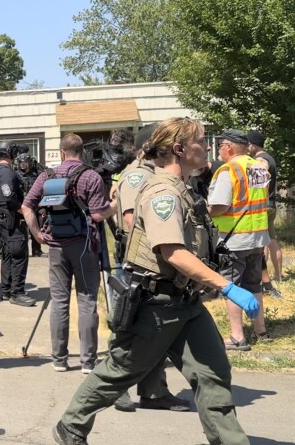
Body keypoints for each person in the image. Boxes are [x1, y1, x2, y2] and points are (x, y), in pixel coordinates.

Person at [52, 117, 258, 445]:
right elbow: (173, 253)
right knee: (120, 370)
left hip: (186, 303)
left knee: (213, 376)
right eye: (199, 141)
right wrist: (226, 285)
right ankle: (71, 427)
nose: (206, 146)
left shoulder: (183, 188)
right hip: (157, 306)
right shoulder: (163, 192)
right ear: (178, 149)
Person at [107, 123, 190, 413]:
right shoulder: (138, 175)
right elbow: (130, 220)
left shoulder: (157, 174)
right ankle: (115, 389)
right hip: (139, 263)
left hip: (155, 265)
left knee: (156, 332)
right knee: (129, 327)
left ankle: (154, 392)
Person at [22, 133, 115, 373]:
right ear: (82, 151)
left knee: (59, 301)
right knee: (86, 300)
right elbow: (97, 214)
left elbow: (26, 206)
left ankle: (59, 359)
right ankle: (87, 362)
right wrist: (113, 204)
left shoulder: (46, 175)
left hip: (56, 246)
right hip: (85, 246)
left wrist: (37, 235)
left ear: (62, 152)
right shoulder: (91, 176)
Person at [209, 129, 272, 350]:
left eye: (220, 145)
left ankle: (238, 337)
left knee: (231, 286)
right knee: (254, 284)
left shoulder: (229, 170)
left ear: (229, 147)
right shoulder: (258, 167)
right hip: (258, 236)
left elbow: (219, 206)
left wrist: (206, 210)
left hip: (234, 240)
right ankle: (261, 330)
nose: (218, 149)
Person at [0, 142, 35, 305]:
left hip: (3, 216)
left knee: (8, 253)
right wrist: (22, 211)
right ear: (9, 153)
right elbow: (9, 196)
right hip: (11, 217)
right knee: (18, 254)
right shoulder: (7, 172)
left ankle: (7, 290)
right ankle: (17, 292)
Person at [246, 130, 284, 299]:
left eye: (248, 144)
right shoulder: (271, 158)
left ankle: (265, 278)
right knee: (271, 240)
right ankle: (278, 276)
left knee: (263, 242)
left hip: (263, 206)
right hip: (271, 204)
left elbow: (259, 176)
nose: (247, 147)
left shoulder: (261, 160)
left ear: (253, 145)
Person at [15, 153, 44, 257]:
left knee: (35, 226)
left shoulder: (36, 174)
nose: (23, 165)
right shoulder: (16, 174)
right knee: (22, 229)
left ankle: (37, 250)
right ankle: (23, 250)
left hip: (35, 205)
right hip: (21, 205)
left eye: (25, 163)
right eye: (21, 163)